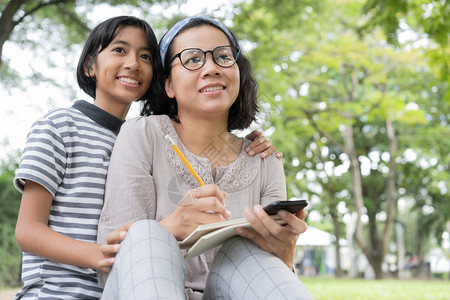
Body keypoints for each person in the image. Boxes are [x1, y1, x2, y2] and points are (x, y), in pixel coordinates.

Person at [12, 15, 278, 299]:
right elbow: (27, 231)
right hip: (57, 292)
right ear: (90, 64)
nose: (133, 63)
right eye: (119, 50)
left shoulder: (145, 140)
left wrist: (251, 144)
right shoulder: (60, 125)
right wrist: (102, 254)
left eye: (146, 56)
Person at [97, 16, 312, 299]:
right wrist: (168, 228)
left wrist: (285, 253)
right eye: (193, 59)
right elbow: (111, 263)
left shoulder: (265, 161)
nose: (211, 68)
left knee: (248, 251)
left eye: (223, 56)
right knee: (146, 234)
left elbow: (266, 279)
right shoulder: (142, 134)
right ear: (169, 85)